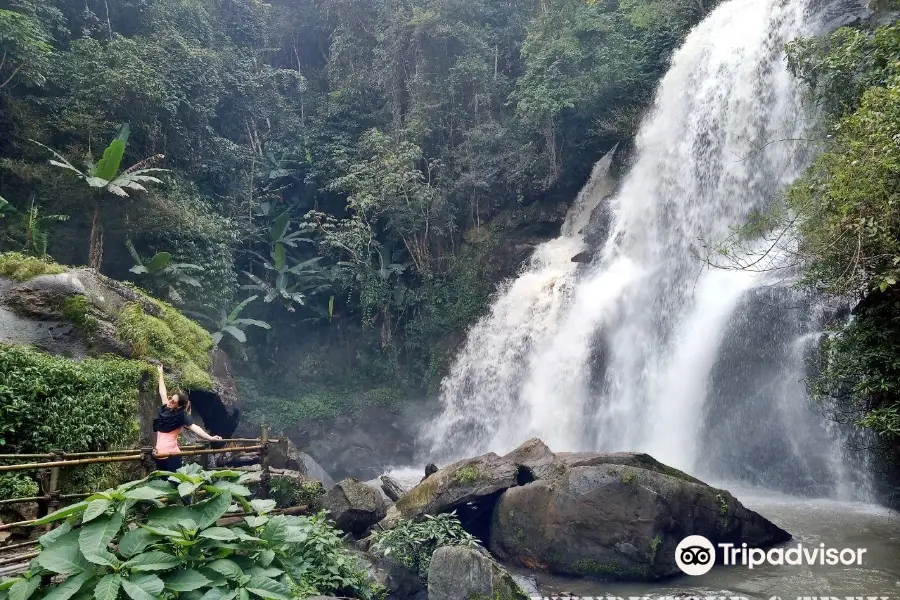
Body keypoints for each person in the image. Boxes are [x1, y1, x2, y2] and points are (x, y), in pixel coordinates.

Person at [152, 364, 221, 471]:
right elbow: (163, 393)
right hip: (159, 456)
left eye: (173, 401)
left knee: (175, 484)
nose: (169, 401)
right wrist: (160, 374)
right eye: (170, 398)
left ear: (179, 405)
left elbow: (195, 428)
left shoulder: (182, 416)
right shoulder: (166, 409)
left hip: (172, 456)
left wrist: (210, 437)